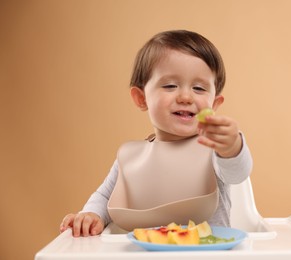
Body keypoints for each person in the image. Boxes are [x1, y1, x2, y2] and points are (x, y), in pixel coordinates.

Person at [60, 30, 253, 237]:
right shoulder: (134, 157)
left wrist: (231, 147)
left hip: (206, 253)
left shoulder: (213, 148)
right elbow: (106, 196)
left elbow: (237, 173)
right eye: (170, 85)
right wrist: (91, 214)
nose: (186, 97)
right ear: (141, 98)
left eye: (199, 88)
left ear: (214, 104)